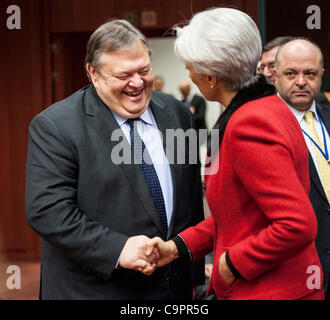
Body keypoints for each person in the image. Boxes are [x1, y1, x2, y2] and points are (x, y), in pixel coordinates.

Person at [149, 8, 324, 300]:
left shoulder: (248, 123)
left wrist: (232, 264)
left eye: (190, 65)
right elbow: (238, 214)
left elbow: (296, 225)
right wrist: (179, 246)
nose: (188, 73)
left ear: (212, 76)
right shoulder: (264, 106)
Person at [25, 19, 204, 300]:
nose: (136, 83)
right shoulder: (55, 127)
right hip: (95, 291)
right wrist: (117, 249)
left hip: (173, 291)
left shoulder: (178, 114)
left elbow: (191, 200)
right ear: (93, 74)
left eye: (143, 71)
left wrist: (193, 275)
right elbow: (48, 211)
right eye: (123, 75)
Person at [274, 38, 330, 299]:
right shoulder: (261, 124)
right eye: (291, 73)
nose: (300, 81)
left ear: (321, 75)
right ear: (275, 76)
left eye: (309, 73)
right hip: (293, 269)